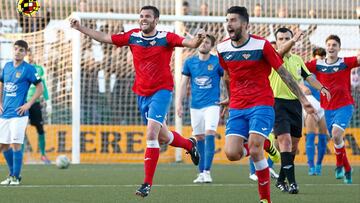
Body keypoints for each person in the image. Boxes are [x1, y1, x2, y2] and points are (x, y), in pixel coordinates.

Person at [70, 5, 205, 197]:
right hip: (142, 94)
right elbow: (104, 38)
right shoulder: (132, 36)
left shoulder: (166, 37)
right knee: (163, 137)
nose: (143, 19)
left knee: (151, 134)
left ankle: (146, 184)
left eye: (148, 16)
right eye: (141, 16)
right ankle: (189, 145)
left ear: (156, 20)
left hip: (162, 91)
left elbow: (190, 44)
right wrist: (79, 28)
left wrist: (198, 38)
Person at [217, 6, 315, 203]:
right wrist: (229, 97)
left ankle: (265, 199)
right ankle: (269, 144)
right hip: (237, 106)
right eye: (227, 20)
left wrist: (304, 100)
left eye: (233, 20)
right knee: (232, 154)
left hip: (261, 103)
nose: (229, 24)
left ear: (245, 24)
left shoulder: (262, 45)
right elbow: (228, 76)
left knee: (254, 150)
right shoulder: (222, 48)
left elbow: (283, 73)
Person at [269, 28, 330, 194]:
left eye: (286, 38)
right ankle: (293, 183)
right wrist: (294, 39)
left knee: (293, 146)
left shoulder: (297, 59)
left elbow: (309, 76)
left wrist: (322, 87)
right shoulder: (274, 56)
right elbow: (281, 53)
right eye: (281, 38)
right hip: (277, 104)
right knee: (285, 142)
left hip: (296, 104)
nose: (284, 40)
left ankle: (281, 180)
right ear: (276, 41)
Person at [306, 35, 360, 184]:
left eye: (334, 45)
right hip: (327, 108)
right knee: (337, 139)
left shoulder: (345, 62)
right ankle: (347, 168)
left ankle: (338, 165)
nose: (331, 47)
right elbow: (300, 67)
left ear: (339, 48)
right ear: (326, 47)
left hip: (345, 106)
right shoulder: (317, 64)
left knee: (336, 135)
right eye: (329, 45)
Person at [177, 34, 222, 183]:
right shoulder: (189, 62)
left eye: (207, 42)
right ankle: (201, 172)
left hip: (212, 104)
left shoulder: (217, 62)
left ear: (211, 46)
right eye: (202, 42)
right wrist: (179, 103)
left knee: (210, 133)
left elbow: (228, 79)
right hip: (195, 106)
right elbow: (183, 84)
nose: (204, 44)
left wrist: (228, 98)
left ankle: (208, 171)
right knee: (200, 137)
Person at [0, 40, 43, 185]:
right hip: (4, 113)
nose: (18, 52)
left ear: (25, 53)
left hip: (19, 114)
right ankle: (12, 175)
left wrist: (28, 104)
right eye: (16, 49)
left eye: (21, 50)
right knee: (3, 145)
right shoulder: (6, 66)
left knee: (15, 144)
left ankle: (15, 177)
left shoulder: (29, 69)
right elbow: (1, 83)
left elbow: (40, 88)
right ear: (13, 50)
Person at [301, 47, 328, 176]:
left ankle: (319, 165)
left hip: (323, 106)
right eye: (318, 58)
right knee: (311, 134)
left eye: (323, 58)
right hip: (310, 104)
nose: (321, 60)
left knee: (323, 136)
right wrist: (302, 88)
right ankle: (310, 165)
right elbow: (295, 79)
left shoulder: (326, 71)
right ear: (313, 57)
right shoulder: (307, 70)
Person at [23, 48, 51, 164]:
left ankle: (43, 155)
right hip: (22, 103)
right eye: (27, 54)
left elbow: (42, 84)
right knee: (19, 130)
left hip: (35, 104)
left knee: (40, 129)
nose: (29, 57)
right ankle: (21, 155)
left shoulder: (39, 69)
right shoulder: (20, 68)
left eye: (30, 54)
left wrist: (48, 101)